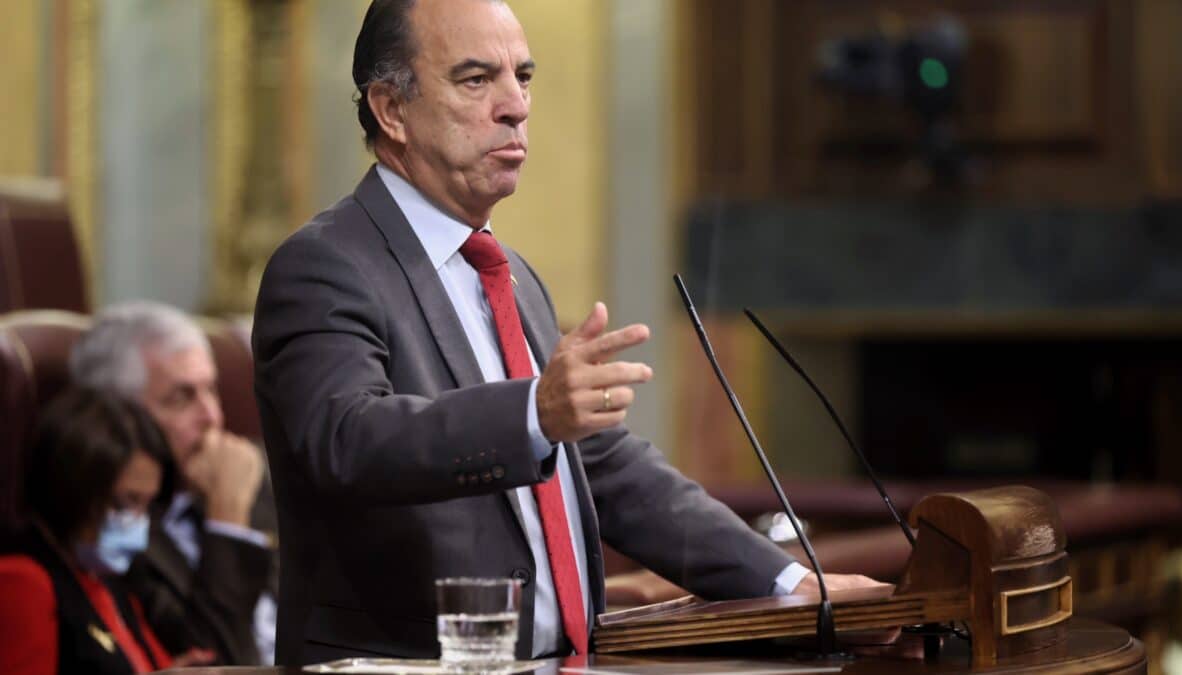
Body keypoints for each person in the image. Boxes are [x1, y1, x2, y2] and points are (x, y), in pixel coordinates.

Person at [252, 0, 883, 664]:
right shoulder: (326, 264)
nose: (516, 106)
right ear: (391, 109)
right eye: (475, 79)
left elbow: (606, 468)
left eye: (521, 76)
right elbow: (345, 441)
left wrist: (791, 582)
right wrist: (533, 411)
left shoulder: (507, 272)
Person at [69, 302, 278, 665]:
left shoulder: (259, 470)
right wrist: (228, 519)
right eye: (181, 398)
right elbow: (215, 661)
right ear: (121, 418)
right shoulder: (117, 532)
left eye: (211, 390)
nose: (212, 417)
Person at [0, 388, 215, 674]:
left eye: (146, 505)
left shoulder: (103, 574)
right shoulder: (23, 580)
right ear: (73, 489)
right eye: (126, 502)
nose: (138, 523)